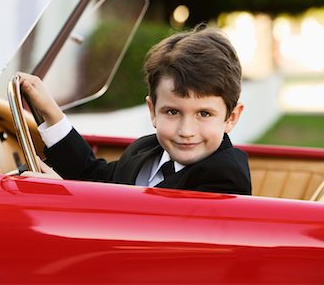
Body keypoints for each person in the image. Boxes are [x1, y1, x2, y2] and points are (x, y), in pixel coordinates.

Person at [19, 25, 251, 195]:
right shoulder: (147, 149)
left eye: (204, 114)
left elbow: (159, 228)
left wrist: (64, 193)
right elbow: (95, 178)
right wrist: (51, 113)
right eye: (172, 112)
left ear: (231, 118)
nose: (186, 130)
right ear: (152, 111)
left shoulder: (225, 177)